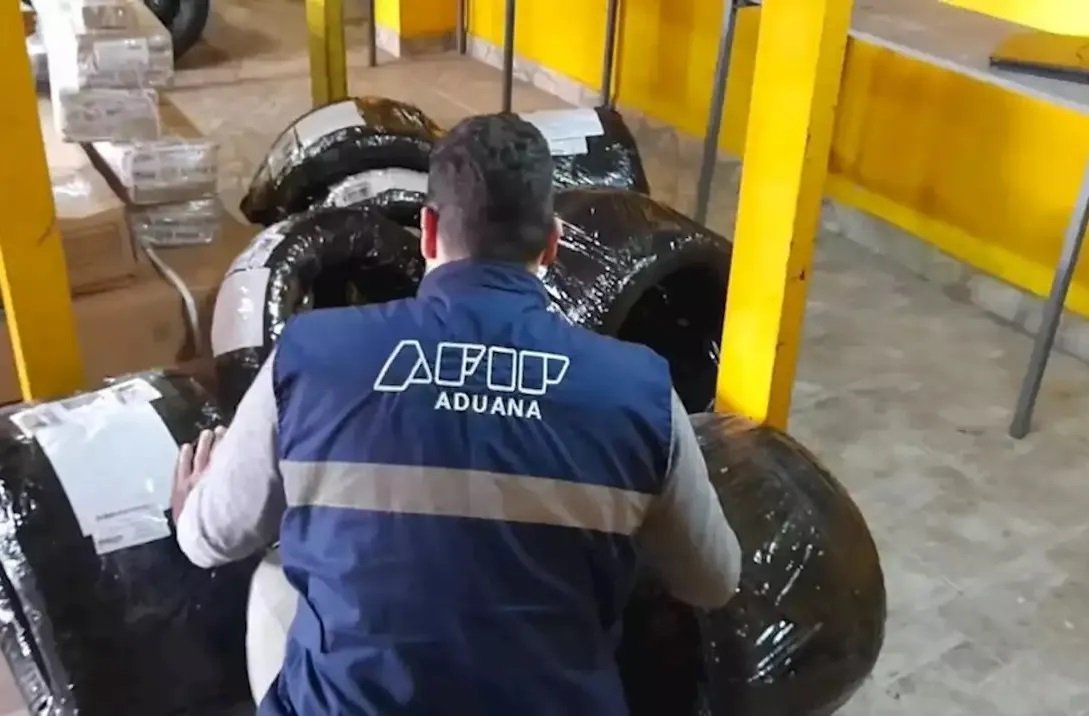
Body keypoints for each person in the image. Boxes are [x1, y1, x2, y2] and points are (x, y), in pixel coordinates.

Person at [173, 114, 742, 715]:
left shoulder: (310, 356)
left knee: (275, 570)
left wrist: (194, 508)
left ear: (427, 230)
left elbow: (211, 542)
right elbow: (714, 580)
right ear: (551, 243)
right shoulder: (640, 389)